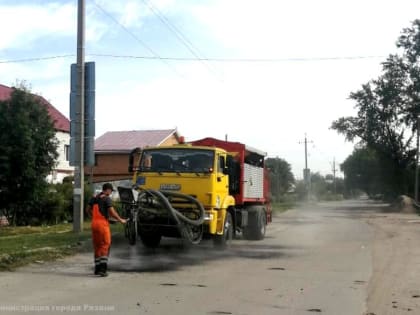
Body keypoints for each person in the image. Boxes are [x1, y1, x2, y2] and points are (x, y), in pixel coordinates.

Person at [86, 183, 126, 277]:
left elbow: (87, 209)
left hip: (94, 224)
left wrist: (93, 217)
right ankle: (103, 270)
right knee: (105, 245)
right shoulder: (106, 198)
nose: (111, 193)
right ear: (107, 190)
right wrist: (121, 220)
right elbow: (112, 212)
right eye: (111, 191)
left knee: (97, 246)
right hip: (102, 225)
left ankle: (97, 268)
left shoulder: (94, 197)